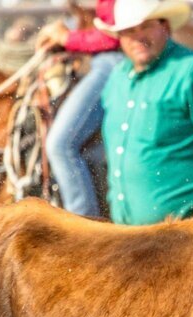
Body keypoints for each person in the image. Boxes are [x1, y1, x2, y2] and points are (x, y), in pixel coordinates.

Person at [97, 0, 193, 224]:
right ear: (120, 37)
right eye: (129, 31)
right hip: (128, 235)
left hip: (184, 234)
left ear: (165, 26)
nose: (138, 37)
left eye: (146, 26)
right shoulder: (118, 77)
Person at [38, 1, 124, 217]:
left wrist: (68, 38)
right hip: (105, 61)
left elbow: (115, 35)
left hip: (112, 61)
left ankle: (83, 221)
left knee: (60, 144)